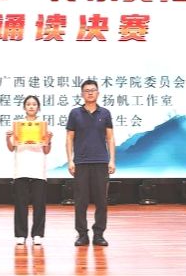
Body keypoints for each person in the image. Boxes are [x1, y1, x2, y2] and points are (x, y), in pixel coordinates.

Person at [65, 79, 116, 247]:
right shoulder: (75, 113)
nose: (90, 93)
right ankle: (82, 234)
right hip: (81, 162)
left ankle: (99, 234)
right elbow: (69, 138)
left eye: (93, 90)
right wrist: (70, 160)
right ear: (82, 94)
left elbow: (110, 138)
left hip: (101, 161)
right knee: (81, 201)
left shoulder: (105, 113)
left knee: (101, 201)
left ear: (98, 93)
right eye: (86, 90)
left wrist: (112, 160)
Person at [5, 95, 52, 246]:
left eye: (34, 104)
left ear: (38, 107)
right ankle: (21, 234)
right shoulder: (18, 125)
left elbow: (46, 151)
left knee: (39, 204)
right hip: (21, 168)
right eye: (28, 104)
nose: (31, 106)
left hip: (38, 169)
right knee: (20, 203)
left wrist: (49, 139)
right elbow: (11, 148)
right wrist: (7, 137)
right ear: (24, 107)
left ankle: (37, 234)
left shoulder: (42, 125)